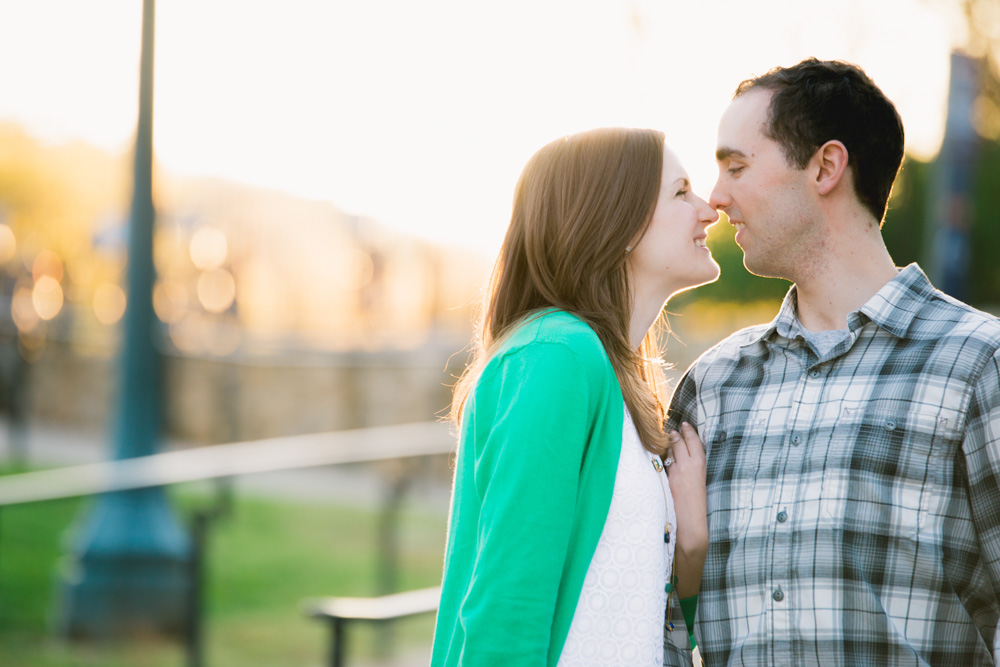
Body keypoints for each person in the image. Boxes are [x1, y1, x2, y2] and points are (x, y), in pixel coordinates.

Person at [665, 57, 1000, 666]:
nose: (716, 198)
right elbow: (663, 619)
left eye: (737, 166)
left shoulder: (980, 363)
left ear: (825, 166)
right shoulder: (710, 388)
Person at [430, 127, 716, 666]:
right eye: (681, 193)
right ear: (620, 221)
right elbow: (506, 611)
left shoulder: (616, 379)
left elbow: (641, 623)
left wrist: (690, 548)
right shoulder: (555, 357)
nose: (709, 210)